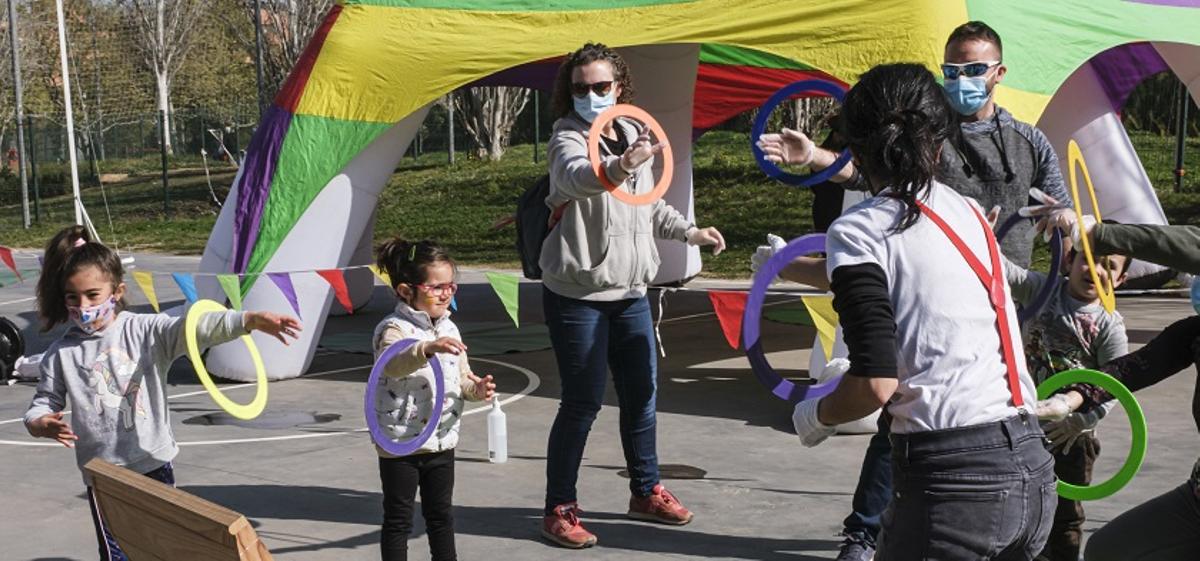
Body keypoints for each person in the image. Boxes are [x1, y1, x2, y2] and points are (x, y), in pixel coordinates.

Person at [756, 21, 1072, 560]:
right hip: (1031, 470)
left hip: (954, 482)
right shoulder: (969, 212)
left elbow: (875, 383)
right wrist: (788, 264)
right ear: (936, 133)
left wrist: (817, 415)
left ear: (857, 142)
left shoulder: (858, 229)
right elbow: (898, 270)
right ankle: (862, 533)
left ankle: (860, 535)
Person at [539, 42, 726, 549]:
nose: (592, 95)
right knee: (581, 403)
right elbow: (575, 181)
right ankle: (559, 509)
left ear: (619, 87)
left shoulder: (630, 133)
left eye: (601, 86)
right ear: (569, 92)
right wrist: (623, 163)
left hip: (632, 292)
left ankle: (645, 491)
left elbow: (648, 205)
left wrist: (691, 233)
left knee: (642, 399)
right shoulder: (566, 137)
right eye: (581, 88)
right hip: (578, 293)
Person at [22, 225, 301, 561]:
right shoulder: (60, 354)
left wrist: (248, 320)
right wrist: (39, 423)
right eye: (72, 297)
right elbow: (43, 402)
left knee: (160, 550)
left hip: (152, 462)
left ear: (116, 291)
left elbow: (195, 327)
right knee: (117, 555)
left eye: (93, 295)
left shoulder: (145, 331)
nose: (83, 306)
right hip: (104, 476)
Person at [1024, 211, 1200, 561]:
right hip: (1195, 501)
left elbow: (1189, 245)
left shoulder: (1108, 325)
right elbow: (1130, 370)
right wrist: (1071, 399)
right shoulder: (1193, 334)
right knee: (1107, 550)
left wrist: (1099, 235)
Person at [1004, 228, 1130, 561]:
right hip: (1024, 422)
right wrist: (984, 234)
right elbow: (1005, 271)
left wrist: (1082, 420)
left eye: (1109, 266)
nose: (1096, 269)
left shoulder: (1108, 325)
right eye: (1087, 259)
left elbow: (1115, 385)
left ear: (1121, 279)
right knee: (1015, 507)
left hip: (1072, 437)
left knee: (1065, 516)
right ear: (1069, 260)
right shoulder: (1042, 290)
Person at [371, 237, 496, 561]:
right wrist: (426, 348)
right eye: (436, 286)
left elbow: (461, 376)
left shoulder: (450, 329)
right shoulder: (394, 329)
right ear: (405, 290)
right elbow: (392, 365)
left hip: (442, 439)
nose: (445, 293)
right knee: (398, 520)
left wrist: (477, 388)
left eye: (451, 286)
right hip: (400, 441)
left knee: (441, 517)